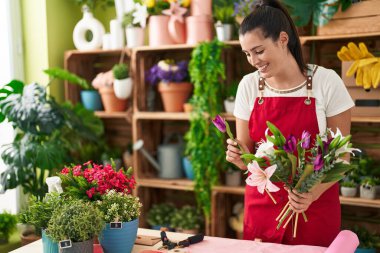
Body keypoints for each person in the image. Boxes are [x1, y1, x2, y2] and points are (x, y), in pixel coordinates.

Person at [225, 0, 355, 247]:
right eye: (247, 53)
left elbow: (341, 158)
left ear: (283, 39)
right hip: (261, 208)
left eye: (259, 51)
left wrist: (311, 193)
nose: (253, 61)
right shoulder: (249, 86)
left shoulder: (326, 82)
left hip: (314, 208)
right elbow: (246, 155)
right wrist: (237, 155)